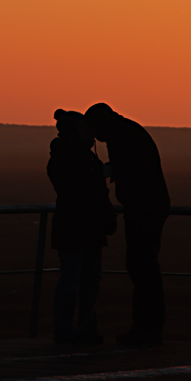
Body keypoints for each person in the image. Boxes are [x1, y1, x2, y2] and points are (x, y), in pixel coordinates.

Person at [83, 103, 170, 345]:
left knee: (142, 266)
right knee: (143, 266)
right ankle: (147, 327)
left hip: (144, 208)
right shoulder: (127, 132)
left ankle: (147, 328)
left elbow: (130, 173)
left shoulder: (121, 137)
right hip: (147, 207)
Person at [47, 109, 117, 344]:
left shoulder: (81, 158)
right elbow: (76, 188)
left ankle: (81, 328)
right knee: (75, 280)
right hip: (77, 225)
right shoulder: (68, 158)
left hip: (83, 225)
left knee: (85, 280)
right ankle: (69, 330)